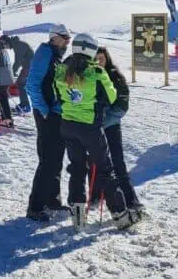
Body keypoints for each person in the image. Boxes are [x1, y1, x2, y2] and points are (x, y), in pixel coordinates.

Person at [55, 33, 136, 230]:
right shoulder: (97, 72)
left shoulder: (61, 70)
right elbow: (111, 96)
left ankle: (78, 217)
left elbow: (58, 95)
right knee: (105, 170)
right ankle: (120, 214)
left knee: (77, 168)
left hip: (67, 125)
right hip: (90, 127)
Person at [26, 24, 71, 222]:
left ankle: (52, 200)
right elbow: (32, 84)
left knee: (56, 158)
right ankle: (35, 206)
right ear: (54, 37)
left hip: (55, 112)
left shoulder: (55, 55)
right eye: (64, 37)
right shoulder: (45, 52)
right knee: (48, 160)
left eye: (69, 37)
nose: (67, 41)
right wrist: (43, 110)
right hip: (46, 114)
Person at [92, 47, 142, 212]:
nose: (99, 62)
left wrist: (106, 119)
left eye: (102, 58)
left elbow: (122, 104)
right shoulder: (89, 76)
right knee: (95, 162)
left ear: (107, 59)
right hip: (93, 126)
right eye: (96, 58)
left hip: (110, 125)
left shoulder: (114, 76)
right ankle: (95, 195)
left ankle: (131, 200)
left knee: (117, 162)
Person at [1, 34, 34, 113]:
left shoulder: (18, 45)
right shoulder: (17, 44)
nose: (6, 48)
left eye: (5, 46)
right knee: (22, 84)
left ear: (7, 42)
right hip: (28, 66)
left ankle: (25, 105)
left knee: (20, 84)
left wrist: (11, 73)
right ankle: (25, 104)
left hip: (29, 66)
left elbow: (18, 62)